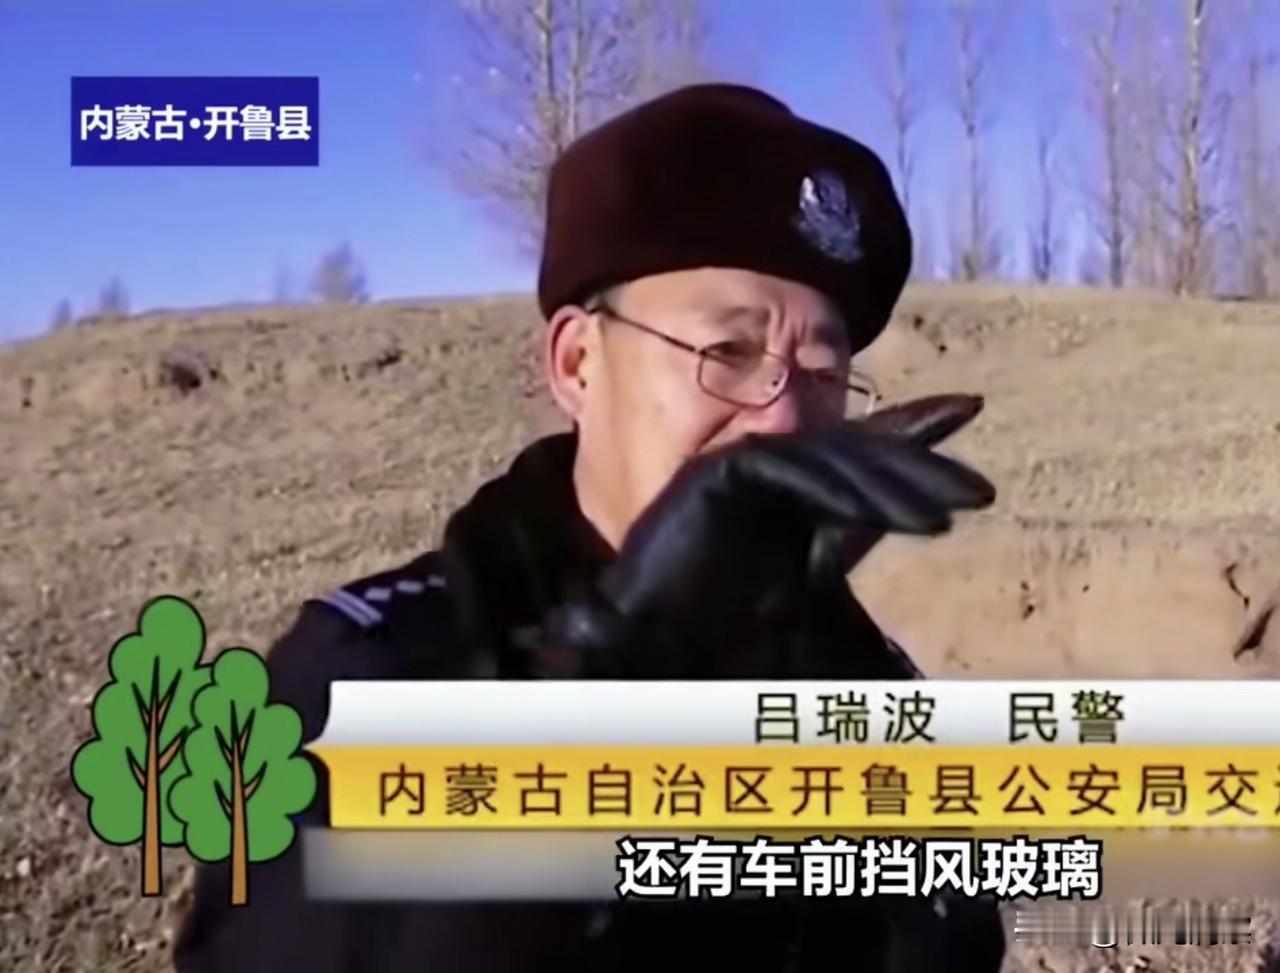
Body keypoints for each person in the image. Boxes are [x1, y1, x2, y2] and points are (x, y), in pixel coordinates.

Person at [173, 83, 1005, 972]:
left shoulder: (850, 667)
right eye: (729, 352)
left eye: (823, 373)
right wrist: (613, 686)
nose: (785, 416)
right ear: (577, 363)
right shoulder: (370, 673)